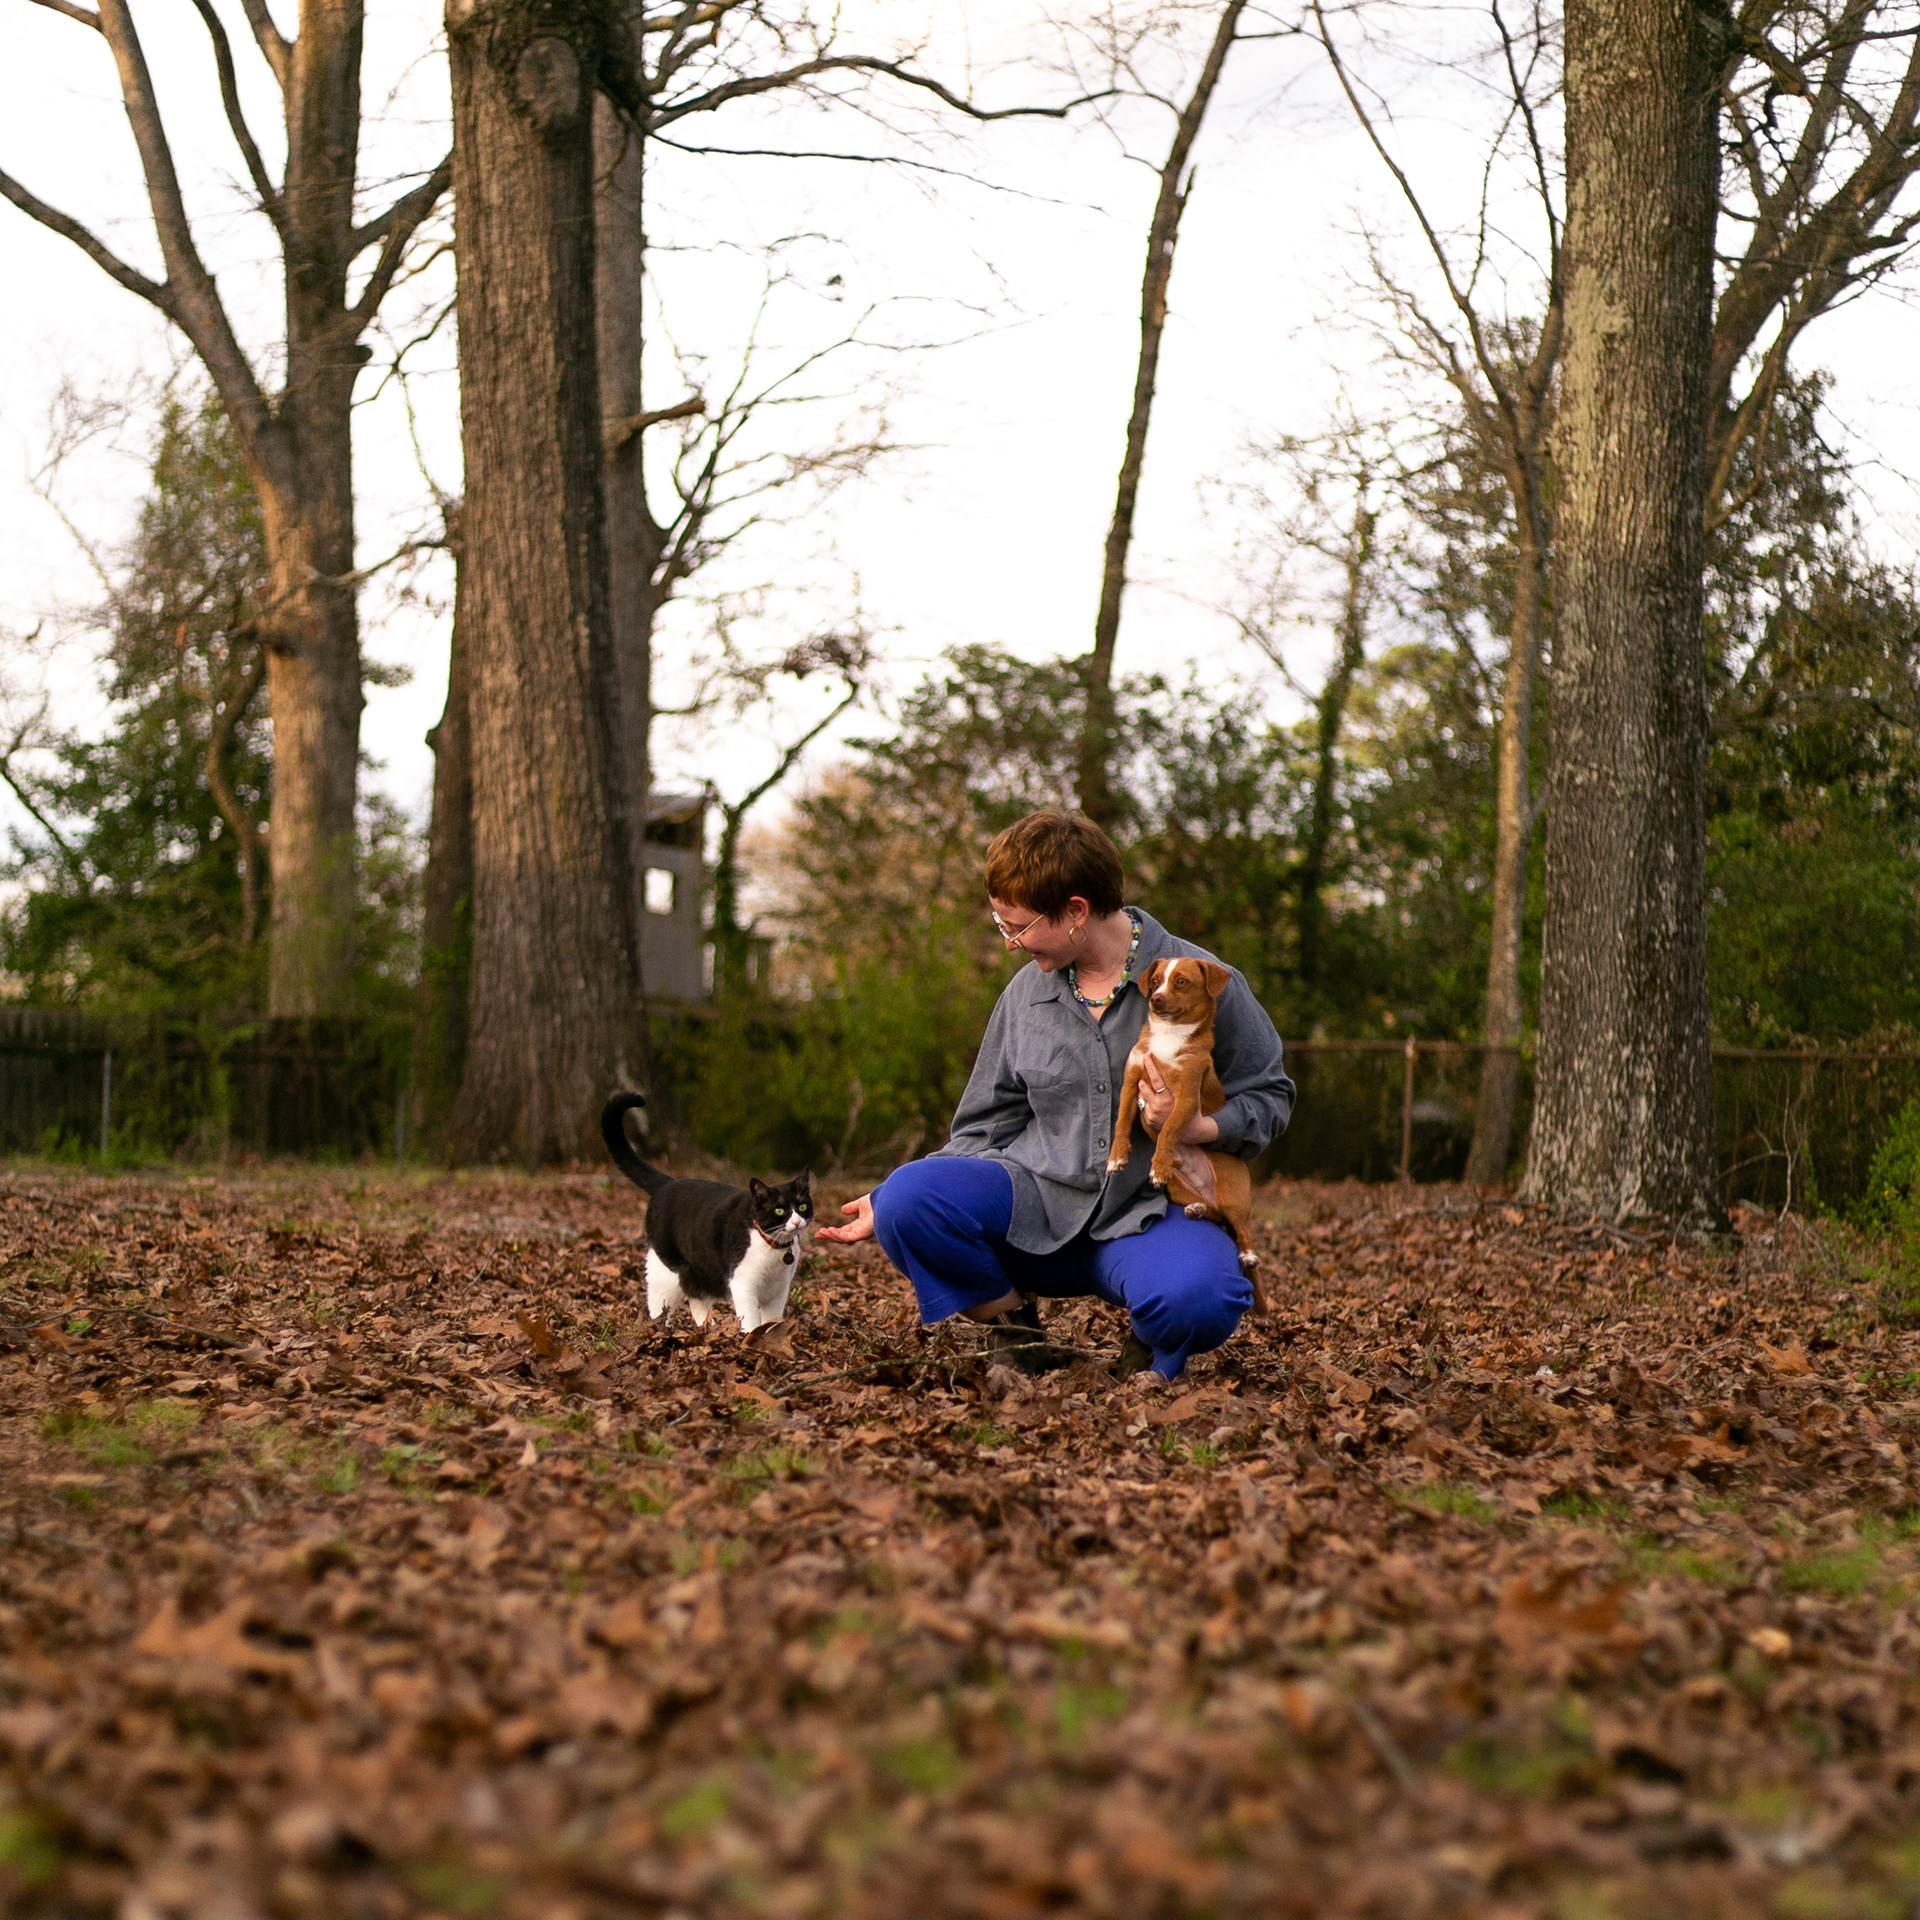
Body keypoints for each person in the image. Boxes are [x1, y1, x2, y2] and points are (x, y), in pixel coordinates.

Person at [817, 808, 1295, 1379]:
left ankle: (1150, 1338)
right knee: (906, 1199)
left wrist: (1201, 1129)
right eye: (1001, 925)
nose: (1011, 944)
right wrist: (898, 1197)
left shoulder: (1206, 979)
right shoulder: (1025, 996)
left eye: (1017, 927)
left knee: (1203, 1299)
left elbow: (1269, 1095)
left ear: (1075, 912)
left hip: (1148, 1214)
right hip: (1035, 1205)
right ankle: (1016, 1334)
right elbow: (983, 1125)